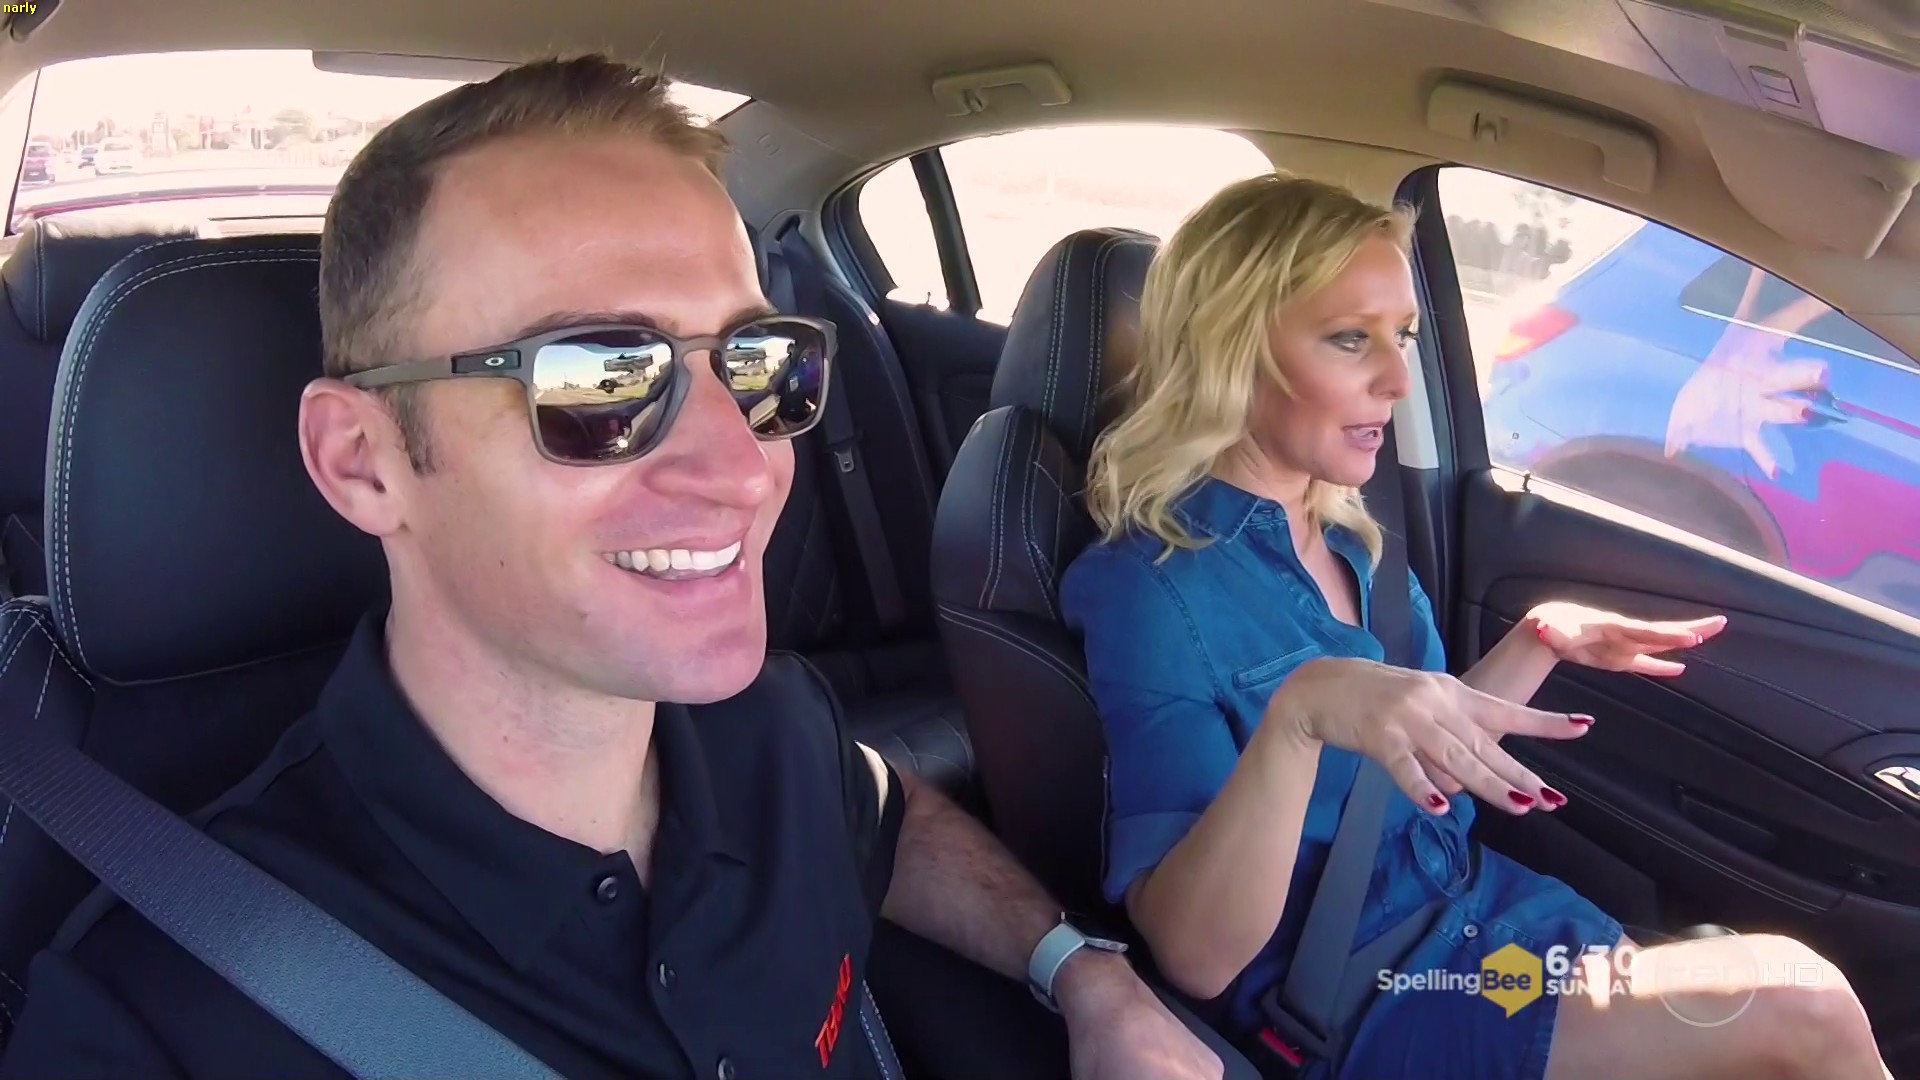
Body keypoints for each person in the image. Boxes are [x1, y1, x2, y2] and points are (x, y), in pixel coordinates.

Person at [0, 57, 1223, 1080]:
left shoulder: (775, 727)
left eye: (758, 363)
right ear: (364, 462)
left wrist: (1081, 974)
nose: (744, 468)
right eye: (598, 380)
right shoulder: (161, 1018)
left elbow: (888, 818)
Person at [1060, 173, 1891, 1080]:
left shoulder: (1350, 543)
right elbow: (1196, 956)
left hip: (1489, 934)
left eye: (1404, 335)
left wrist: (1538, 639)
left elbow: (1425, 764)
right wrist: (1299, 721)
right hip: (1374, 998)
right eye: (1351, 339)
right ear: (1233, 352)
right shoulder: (1150, 590)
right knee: (1801, 998)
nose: (1397, 378)